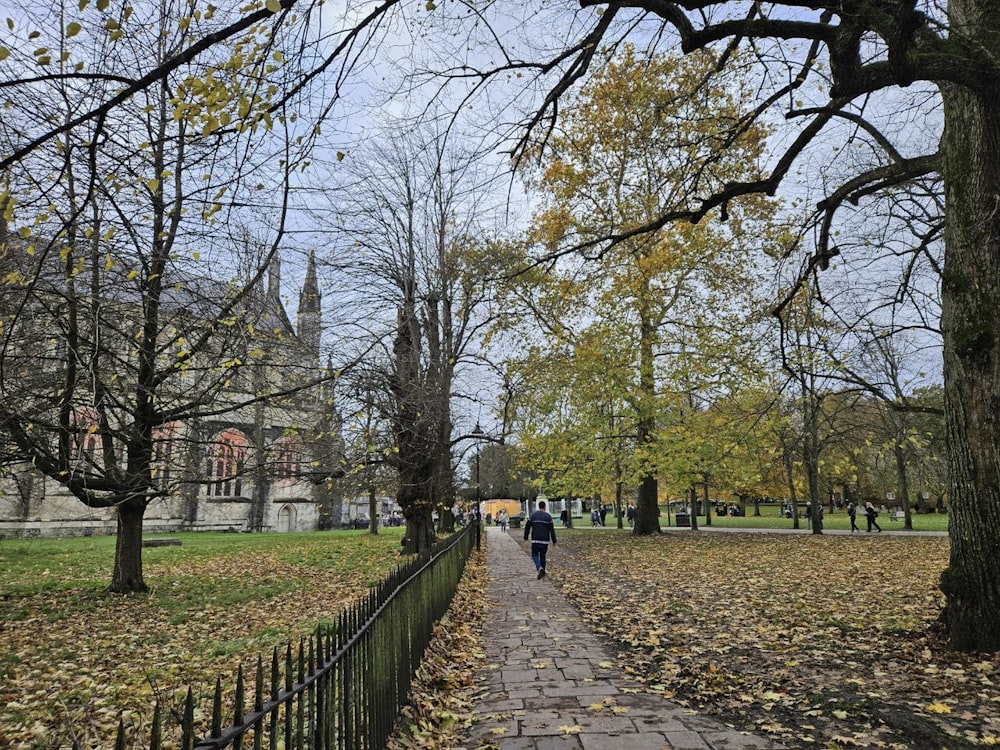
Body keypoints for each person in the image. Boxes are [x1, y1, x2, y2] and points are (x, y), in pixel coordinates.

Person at [524, 500, 557, 579]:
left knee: (534, 555)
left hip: (535, 539)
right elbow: (551, 529)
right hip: (544, 540)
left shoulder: (533, 515)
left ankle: (539, 568)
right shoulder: (548, 517)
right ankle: (543, 571)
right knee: (543, 556)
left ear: (538, 506)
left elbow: (527, 526)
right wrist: (554, 540)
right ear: (544, 507)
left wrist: (526, 536)